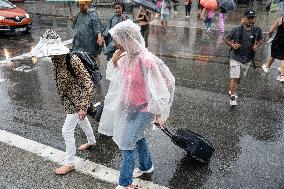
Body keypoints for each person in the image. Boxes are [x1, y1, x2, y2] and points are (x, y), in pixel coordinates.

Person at [98, 20, 175, 189]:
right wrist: (115, 61)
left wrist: (159, 114)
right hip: (130, 106)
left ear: (127, 39)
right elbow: (114, 78)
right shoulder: (126, 56)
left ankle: (125, 183)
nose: (114, 43)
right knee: (138, 137)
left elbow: (159, 86)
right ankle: (147, 166)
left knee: (127, 143)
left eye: (116, 40)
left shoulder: (145, 59)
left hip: (145, 108)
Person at [31, 30, 97, 175]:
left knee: (66, 131)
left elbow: (88, 83)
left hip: (78, 101)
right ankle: (92, 141)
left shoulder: (71, 60)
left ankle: (70, 163)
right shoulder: (56, 59)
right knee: (83, 121)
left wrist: (83, 106)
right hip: (69, 101)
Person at [223, 10, 263, 106]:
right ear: (244, 18)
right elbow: (226, 38)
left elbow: (261, 39)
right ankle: (232, 96)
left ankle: (232, 89)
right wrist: (232, 44)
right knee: (235, 77)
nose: (251, 20)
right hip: (235, 57)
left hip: (247, 58)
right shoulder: (236, 29)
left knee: (239, 78)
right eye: (249, 18)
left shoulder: (257, 29)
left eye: (252, 18)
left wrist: (256, 45)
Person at [69, 0, 104, 66]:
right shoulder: (79, 14)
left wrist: (99, 36)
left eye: (83, 5)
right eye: (80, 5)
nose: (81, 7)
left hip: (89, 43)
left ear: (87, 5)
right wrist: (73, 20)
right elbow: (73, 26)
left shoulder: (92, 15)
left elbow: (97, 28)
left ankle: (96, 71)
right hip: (79, 42)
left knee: (92, 58)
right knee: (80, 59)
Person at [261, 15, 284, 82]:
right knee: (280, 56)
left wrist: (270, 38)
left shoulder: (280, 20)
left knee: (274, 54)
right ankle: (268, 67)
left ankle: (282, 76)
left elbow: (271, 31)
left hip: (278, 40)